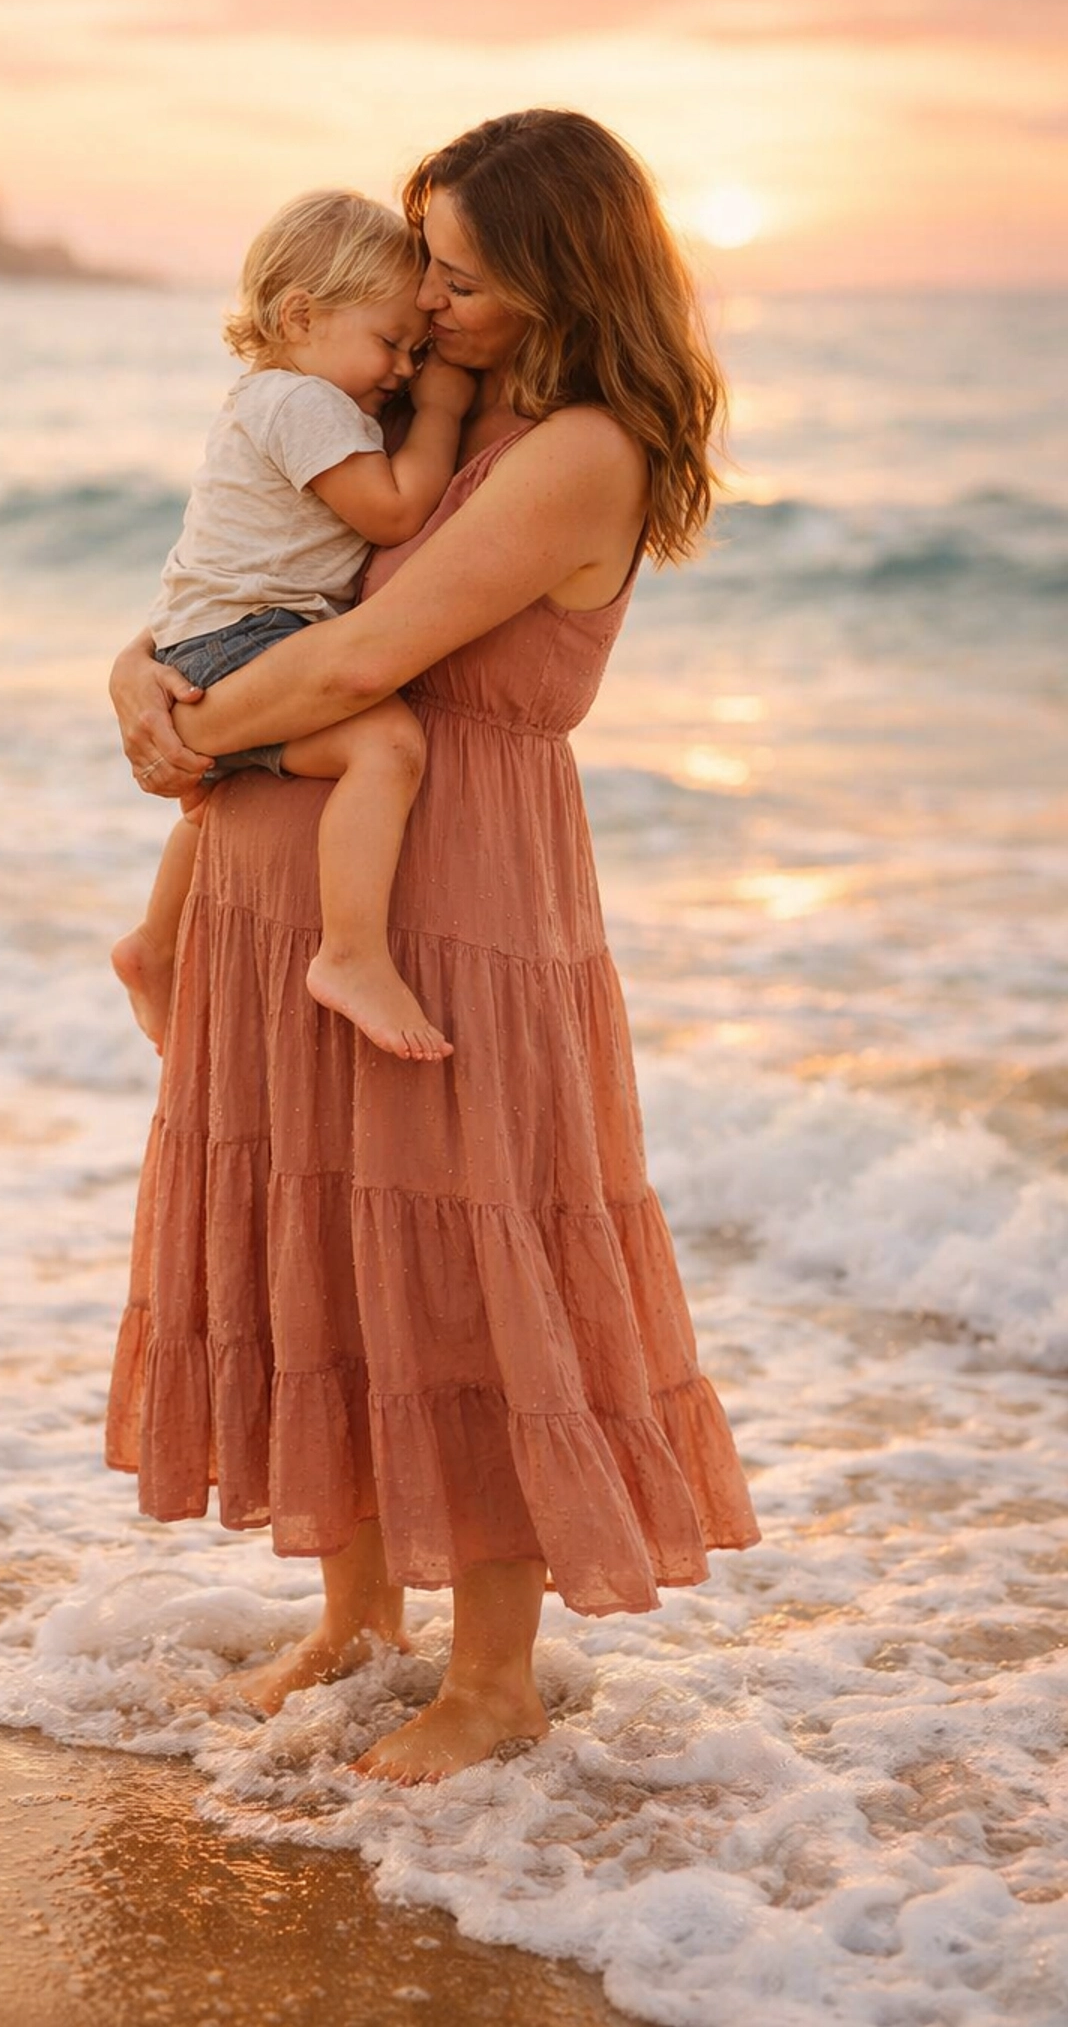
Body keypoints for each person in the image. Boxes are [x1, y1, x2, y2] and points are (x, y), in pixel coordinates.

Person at [106, 109, 761, 1786]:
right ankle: (355, 1611)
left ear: (556, 272)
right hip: (305, 862)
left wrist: (189, 734)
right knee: (326, 1224)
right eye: (428, 272)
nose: (433, 300)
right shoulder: (416, 404)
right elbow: (264, 573)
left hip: (460, 889)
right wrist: (140, 670)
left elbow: (368, 655)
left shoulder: (582, 447)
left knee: (470, 1254)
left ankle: (492, 1676)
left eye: (463, 277)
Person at [113, 189, 476, 1064]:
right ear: (301, 315)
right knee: (385, 746)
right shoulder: (302, 404)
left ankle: (154, 946)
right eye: (390, 343)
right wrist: (441, 414)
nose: (401, 367)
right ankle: (350, 953)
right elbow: (390, 513)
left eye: (414, 351)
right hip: (246, 635)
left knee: (215, 795)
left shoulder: (272, 396)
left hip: (204, 637)